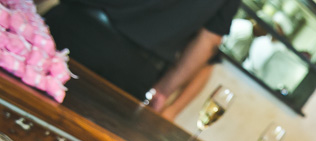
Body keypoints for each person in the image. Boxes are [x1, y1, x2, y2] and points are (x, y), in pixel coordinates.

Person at [44, 0, 239, 109]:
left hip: (75, 31)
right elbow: (208, 40)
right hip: (133, 73)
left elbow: (209, 42)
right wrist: (162, 91)